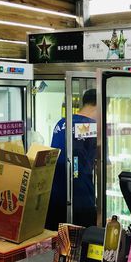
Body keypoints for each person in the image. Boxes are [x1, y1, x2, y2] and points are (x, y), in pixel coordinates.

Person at [46, 89, 98, 230]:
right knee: (81, 242)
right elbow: (105, 166)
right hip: (81, 200)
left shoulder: (61, 123)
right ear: (99, 105)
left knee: (59, 241)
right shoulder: (93, 127)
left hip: (54, 199)